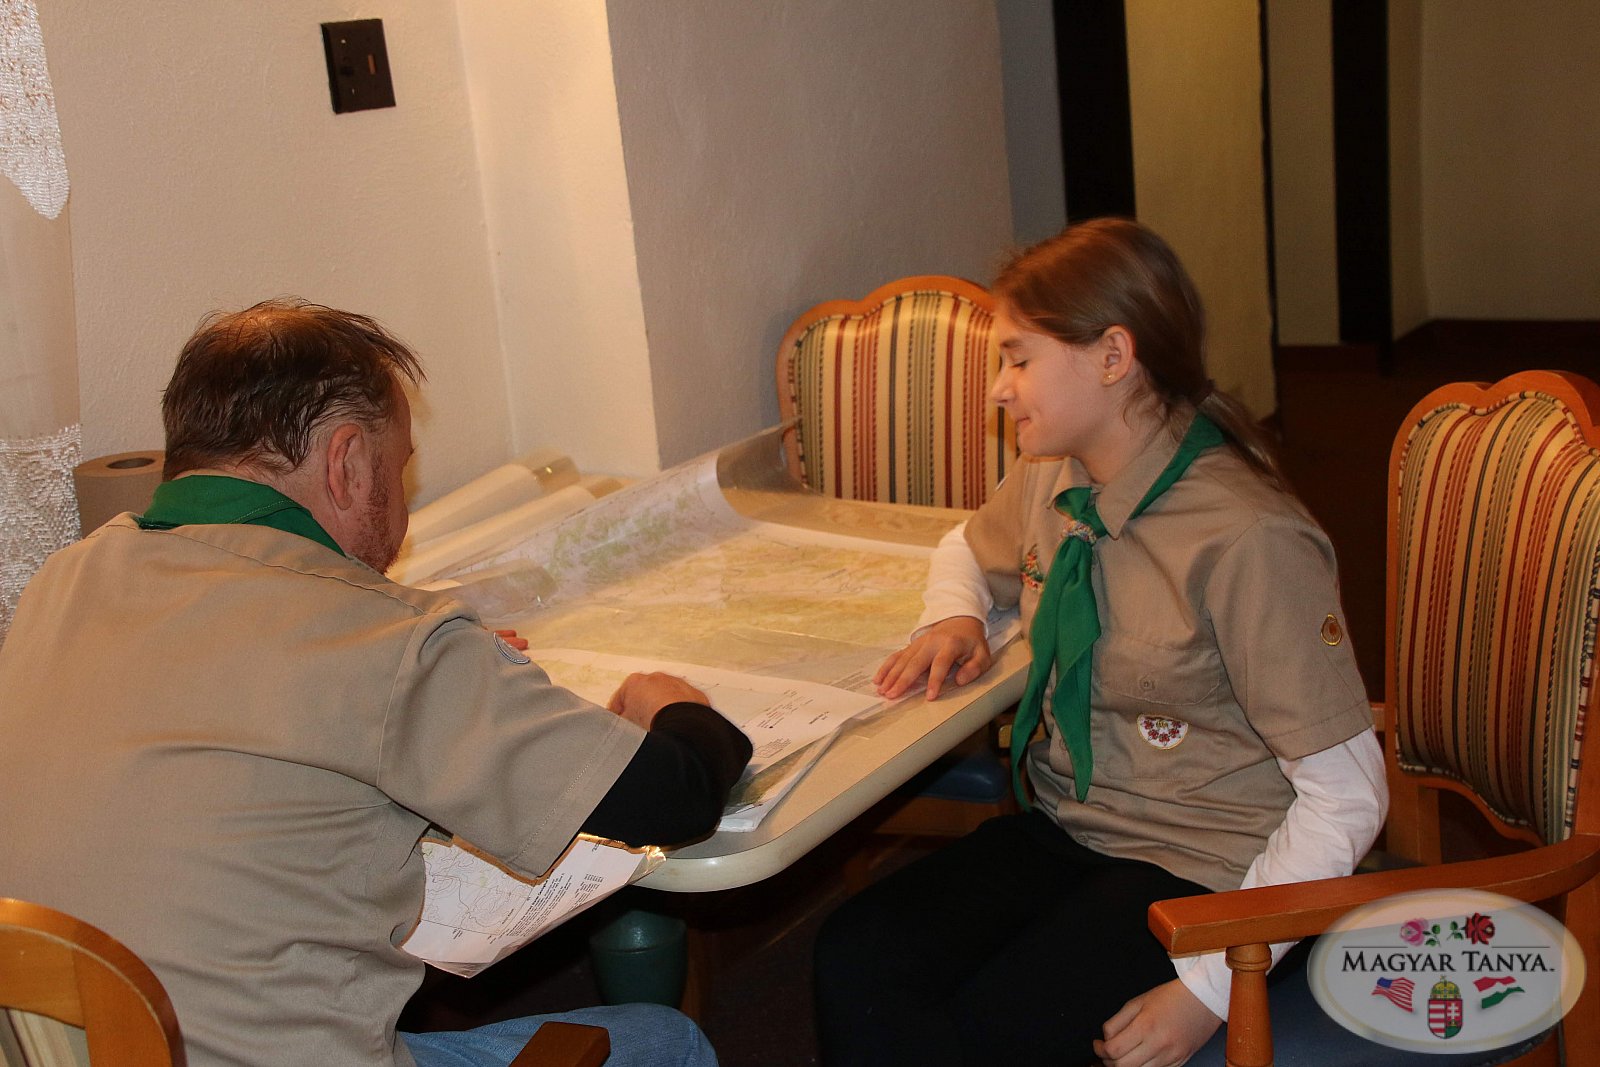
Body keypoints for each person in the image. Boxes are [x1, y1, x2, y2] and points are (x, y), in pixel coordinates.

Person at [0, 300, 751, 1067]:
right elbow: (676, 795)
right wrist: (673, 702)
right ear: (348, 461)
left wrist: (441, 687)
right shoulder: (377, 635)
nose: (402, 507)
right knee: (665, 1040)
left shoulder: (63, 579)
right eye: (398, 469)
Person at [812, 219, 1387, 1067]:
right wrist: (954, 615)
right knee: (856, 956)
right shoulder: (1058, 470)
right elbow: (966, 546)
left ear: (1113, 356)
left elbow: (1348, 795)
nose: (998, 390)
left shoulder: (1247, 538)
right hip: (1074, 823)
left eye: (1018, 359)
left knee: (1007, 1022)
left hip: (1212, 862)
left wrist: (1210, 986)